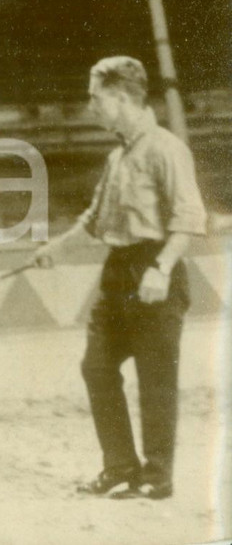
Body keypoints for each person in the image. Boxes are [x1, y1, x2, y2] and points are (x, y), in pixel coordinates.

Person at [33, 56, 207, 500]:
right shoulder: (117, 156)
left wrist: (161, 268)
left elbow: (189, 218)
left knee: (155, 378)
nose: (90, 107)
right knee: (96, 367)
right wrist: (57, 248)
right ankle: (120, 467)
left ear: (122, 97)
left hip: (155, 269)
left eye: (95, 98)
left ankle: (157, 477)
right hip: (118, 271)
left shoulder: (167, 148)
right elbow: (94, 219)